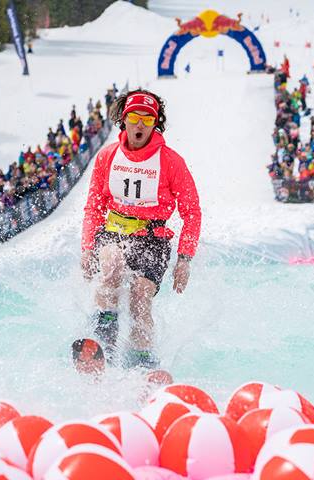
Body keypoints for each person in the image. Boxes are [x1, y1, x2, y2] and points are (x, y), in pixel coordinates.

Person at [80, 89, 201, 370]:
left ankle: (141, 359)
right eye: (135, 117)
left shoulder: (171, 162)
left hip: (153, 239)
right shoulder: (107, 157)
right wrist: (87, 248)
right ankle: (103, 333)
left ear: (156, 124)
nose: (140, 125)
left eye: (148, 120)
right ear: (124, 120)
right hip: (114, 231)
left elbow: (192, 212)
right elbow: (93, 206)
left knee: (140, 296)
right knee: (112, 265)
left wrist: (184, 259)